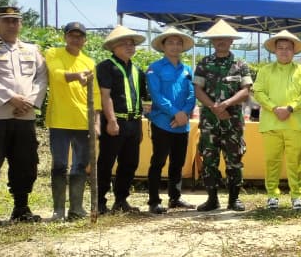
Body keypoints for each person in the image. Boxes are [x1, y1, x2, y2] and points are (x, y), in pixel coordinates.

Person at [0, 5, 47, 226]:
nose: (12, 25)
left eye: (16, 21)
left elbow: (41, 78)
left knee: (26, 163)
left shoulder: (31, 50)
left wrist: (29, 101)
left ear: (21, 23)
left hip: (24, 117)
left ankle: (21, 208)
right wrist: (10, 98)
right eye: (6, 20)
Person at [193, 19, 253, 213]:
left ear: (231, 41)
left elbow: (246, 91)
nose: (221, 41)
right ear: (212, 41)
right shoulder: (204, 63)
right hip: (209, 121)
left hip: (232, 121)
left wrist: (226, 104)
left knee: (234, 160)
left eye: (225, 38)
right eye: (217, 38)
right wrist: (213, 106)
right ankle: (212, 199)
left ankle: (234, 199)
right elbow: (197, 89)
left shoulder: (240, 64)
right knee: (209, 159)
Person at [252, 29, 301, 210]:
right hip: (271, 122)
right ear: (274, 50)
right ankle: (272, 195)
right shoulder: (264, 71)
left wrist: (290, 108)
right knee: (272, 160)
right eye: (280, 48)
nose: (284, 51)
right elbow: (258, 92)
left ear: (294, 51)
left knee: (296, 161)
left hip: (295, 123)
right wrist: (273, 108)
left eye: (288, 48)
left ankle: (297, 196)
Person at [43, 21, 96, 221]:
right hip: (60, 120)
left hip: (83, 120)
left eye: (80, 36)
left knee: (80, 165)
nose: (76, 39)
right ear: (65, 37)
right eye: (72, 35)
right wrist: (75, 76)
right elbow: (55, 75)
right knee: (59, 164)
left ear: (85, 39)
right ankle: (58, 209)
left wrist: (96, 119)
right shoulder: (53, 53)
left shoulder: (89, 62)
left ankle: (76, 208)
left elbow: (96, 93)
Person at [95, 24, 149, 215]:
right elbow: (105, 95)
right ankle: (99, 202)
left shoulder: (137, 70)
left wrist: (141, 124)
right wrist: (110, 120)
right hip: (115, 121)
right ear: (113, 47)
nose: (129, 47)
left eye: (132, 44)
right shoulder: (105, 67)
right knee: (106, 162)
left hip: (133, 122)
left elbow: (142, 98)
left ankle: (121, 200)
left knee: (130, 162)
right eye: (124, 44)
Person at [145, 26, 197, 214]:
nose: (175, 46)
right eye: (170, 43)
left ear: (182, 47)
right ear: (163, 46)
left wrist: (184, 113)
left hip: (182, 125)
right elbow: (156, 95)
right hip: (162, 122)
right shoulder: (154, 68)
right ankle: (153, 200)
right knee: (158, 161)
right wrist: (176, 113)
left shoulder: (187, 69)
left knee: (178, 163)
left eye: (178, 43)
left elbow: (192, 94)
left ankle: (175, 198)